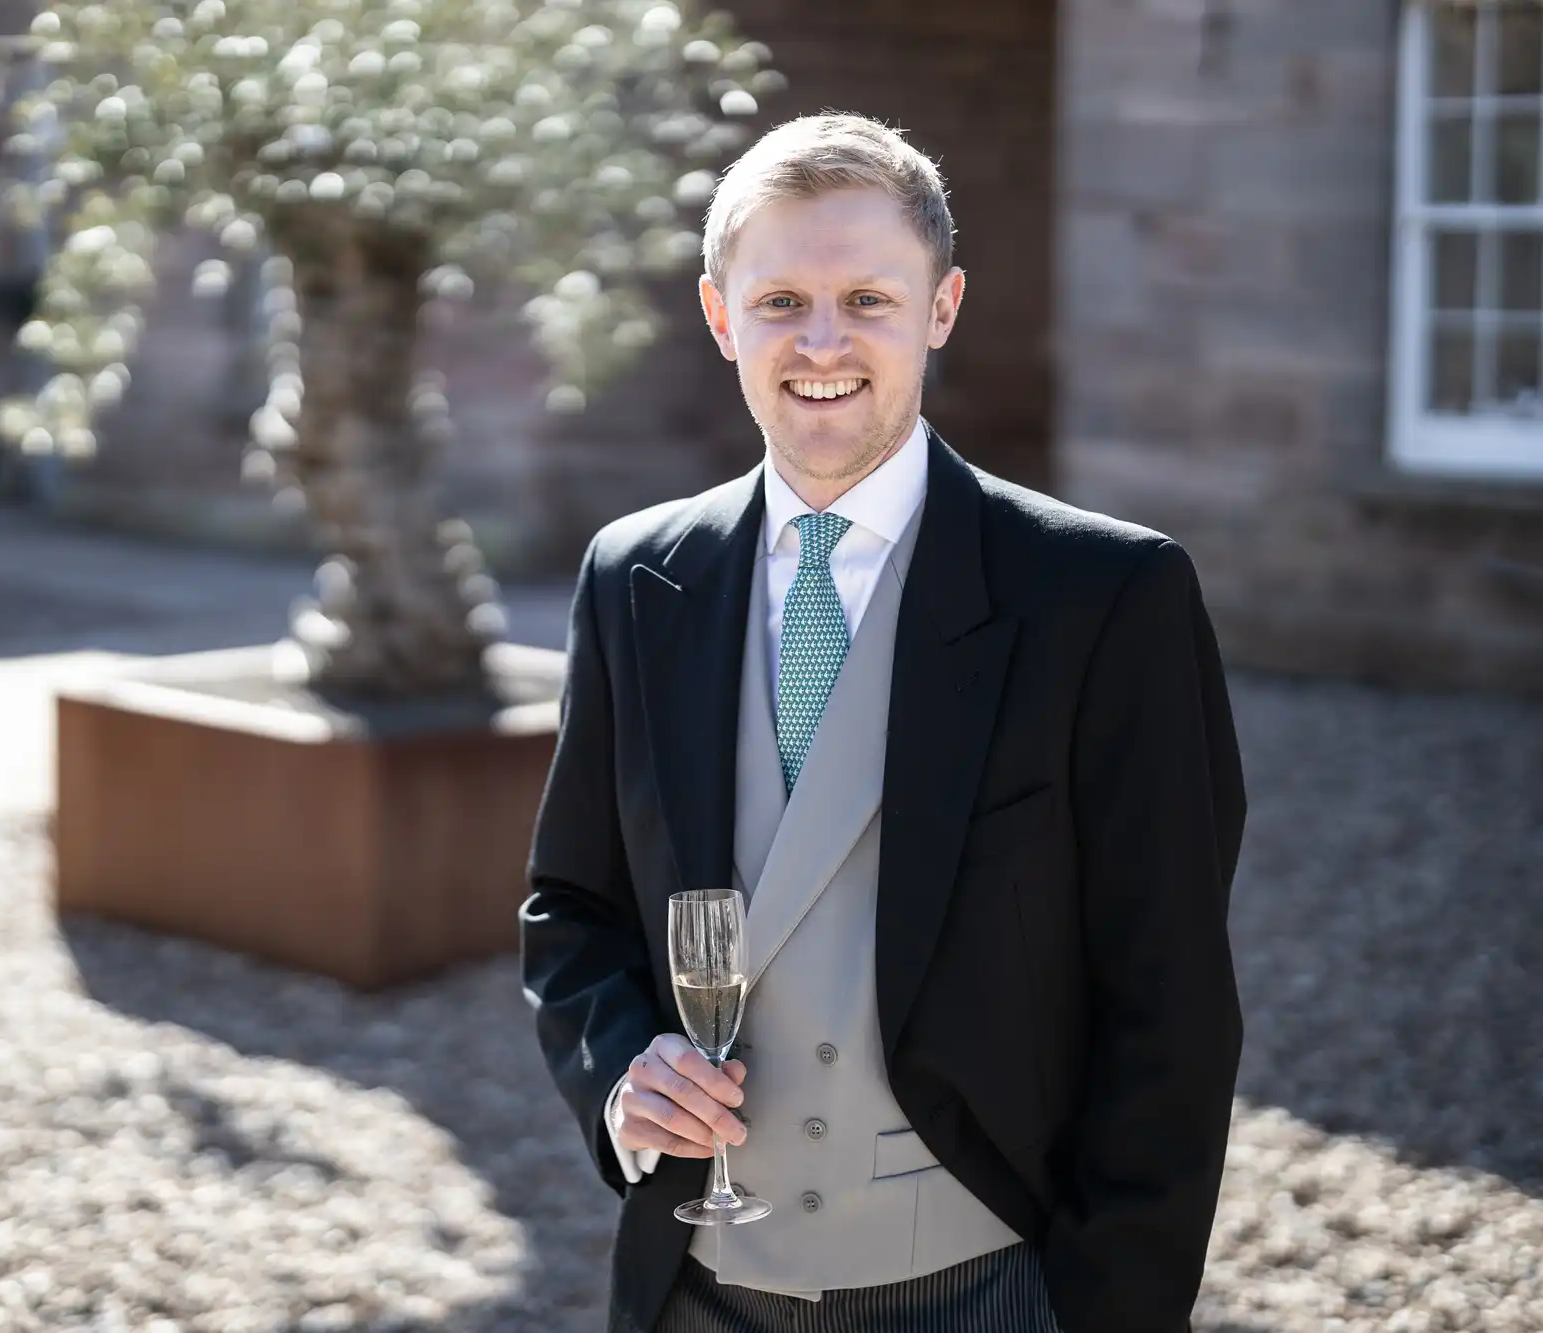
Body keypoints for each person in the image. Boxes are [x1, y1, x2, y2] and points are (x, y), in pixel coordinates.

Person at [520, 112, 1245, 1333]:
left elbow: (1169, 1000)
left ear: (941, 306)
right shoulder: (634, 577)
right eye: (779, 302)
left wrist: (1109, 1307)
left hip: (988, 1287)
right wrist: (617, 1075)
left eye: (866, 298)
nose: (820, 342)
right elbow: (572, 909)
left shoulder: (1103, 597)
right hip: (695, 1288)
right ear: (717, 316)